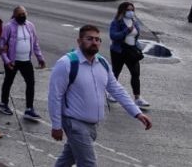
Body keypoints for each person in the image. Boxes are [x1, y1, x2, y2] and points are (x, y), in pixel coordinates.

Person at [48, 25, 152, 167]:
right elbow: (55, 96)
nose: (94, 42)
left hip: (92, 125)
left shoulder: (102, 63)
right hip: (75, 124)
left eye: (97, 39)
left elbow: (117, 90)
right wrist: (56, 125)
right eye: (89, 39)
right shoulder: (66, 63)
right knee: (88, 163)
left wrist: (137, 113)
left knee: (67, 159)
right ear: (79, 41)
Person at [0, 6, 46, 119]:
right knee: (8, 81)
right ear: (14, 15)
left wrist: (40, 58)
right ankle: (3, 104)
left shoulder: (30, 26)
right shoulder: (8, 27)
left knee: (31, 83)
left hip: (26, 61)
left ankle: (29, 109)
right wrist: (6, 60)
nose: (22, 16)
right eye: (19, 14)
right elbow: (1, 45)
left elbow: (35, 43)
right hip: (12, 61)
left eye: (24, 13)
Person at [108, 2, 150, 108]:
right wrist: (126, 30)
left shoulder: (134, 22)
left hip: (131, 51)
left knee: (135, 73)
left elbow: (135, 36)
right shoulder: (116, 22)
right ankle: (111, 93)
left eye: (132, 10)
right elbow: (113, 36)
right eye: (128, 10)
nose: (130, 12)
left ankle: (137, 98)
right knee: (116, 72)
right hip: (119, 51)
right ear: (122, 11)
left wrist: (138, 46)